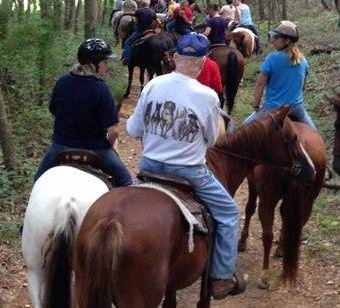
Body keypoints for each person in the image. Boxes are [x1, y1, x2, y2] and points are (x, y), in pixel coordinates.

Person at [126, 34, 245, 300]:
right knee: (228, 214)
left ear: (176, 58)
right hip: (189, 172)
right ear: (204, 62)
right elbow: (213, 140)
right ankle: (221, 277)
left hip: (149, 167)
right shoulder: (207, 96)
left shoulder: (153, 85)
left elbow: (133, 130)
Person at [33, 39, 133, 187]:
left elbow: (54, 113)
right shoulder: (102, 89)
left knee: (37, 181)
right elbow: (113, 130)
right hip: (96, 148)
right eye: (105, 61)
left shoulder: (62, 81)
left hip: (60, 147)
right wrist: (111, 146)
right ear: (94, 63)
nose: (107, 65)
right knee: (126, 180)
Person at [242, 21, 316, 128]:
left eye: (276, 38)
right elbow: (304, 87)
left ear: (286, 40)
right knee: (315, 135)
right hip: (296, 108)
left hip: (272, 109)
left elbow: (260, 84)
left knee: (242, 129)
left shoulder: (272, 59)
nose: (273, 41)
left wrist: (256, 106)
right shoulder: (302, 60)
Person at [123, 0, 161, 64]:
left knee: (127, 42)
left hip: (141, 32)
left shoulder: (138, 11)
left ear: (142, 4)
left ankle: (127, 59)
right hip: (150, 32)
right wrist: (154, 28)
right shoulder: (152, 11)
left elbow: (136, 23)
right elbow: (159, 22)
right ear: (148, 4)